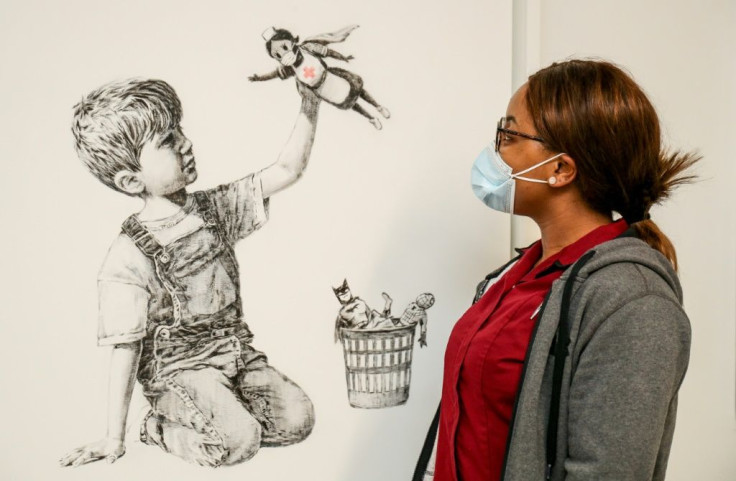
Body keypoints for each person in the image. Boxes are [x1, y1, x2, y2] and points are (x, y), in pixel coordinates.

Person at [413, 59, 698, 481]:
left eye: (509, 135)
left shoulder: (633, 301)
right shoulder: (513, 277)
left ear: (561, 169)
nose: (495, 151)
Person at [60, 78, 320, 467]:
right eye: (167, 141)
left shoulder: (215, 209)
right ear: (132, 181)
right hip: (179, 374)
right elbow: (125, 347)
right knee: (239, 442)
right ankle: (158, 429)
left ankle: (224, 412)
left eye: (180, 130)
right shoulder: (128, 256)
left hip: (235, 355)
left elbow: (286, 170)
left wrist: (309, 104)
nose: (185, 143)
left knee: (298, 421)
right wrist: (114, 437)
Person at [249, 26, 390, 130]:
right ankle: (371, 118)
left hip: (332, 77)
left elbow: (327, 52)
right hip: (324, 91)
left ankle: (378, 106)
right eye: (277, 55)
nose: (283, 55)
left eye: (284, 47)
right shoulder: (288, 69)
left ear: (292, 41)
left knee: (358, 90)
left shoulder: (308, 48)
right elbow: (273, 74)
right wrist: (259, 78)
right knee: (350, 103)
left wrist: (343, 57)